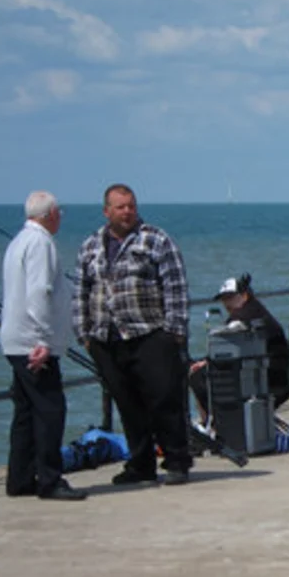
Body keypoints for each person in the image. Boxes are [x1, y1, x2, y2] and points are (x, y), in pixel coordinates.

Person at [74, 183, 194, 485]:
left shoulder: (156, 239)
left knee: (164, 399)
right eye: (120, 207)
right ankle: (140, 463)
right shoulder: (90, 246)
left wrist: (175, 332)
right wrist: (84, 335)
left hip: (150, 333)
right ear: (106, 211)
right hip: (107, 337)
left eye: (131, 205)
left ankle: (177, 459)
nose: (127, 212)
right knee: (127, 403)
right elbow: (80, 292)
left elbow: (175, 285)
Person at [0, 191, 86, 500]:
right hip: (32, 344)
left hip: (14, 340)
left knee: (25, 412)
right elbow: (39, 292)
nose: (60, 217)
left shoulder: (18, 242)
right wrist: (42, 340)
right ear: (50, 214)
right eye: (58, 212)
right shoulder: (40, 243)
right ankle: (50, 479)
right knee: (51, 409)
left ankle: (20, 479)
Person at [188, 275, 289, 429]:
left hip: (266, 379)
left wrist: (206, 361)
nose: (226, 303)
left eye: (230, 297)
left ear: (244, 295)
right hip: (278, 374)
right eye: (223, 299)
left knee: (196, 376)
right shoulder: (256, 309)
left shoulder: (241, 318)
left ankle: (216, 424)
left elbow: (225, 346)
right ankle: (214, 422)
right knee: (203, 371)